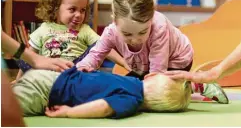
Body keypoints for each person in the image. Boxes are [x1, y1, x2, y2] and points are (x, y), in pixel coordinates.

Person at [76, 0, 229, 104]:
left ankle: (195, 86)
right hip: (144, 66)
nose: (135, 40)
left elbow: (157, 73)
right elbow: (95, 55)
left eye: (142, 32)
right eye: (128, 34)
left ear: (151, 19)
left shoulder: (159, 27)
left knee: (157, 96)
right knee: (123, 88)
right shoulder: (111, 32)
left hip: (176, 62)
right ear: (114, 21)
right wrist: (81, 69)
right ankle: (183, 86)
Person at [13, 0, 127, 80]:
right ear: (56, 8)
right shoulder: (44, 28)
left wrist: (124, 63)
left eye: (82, 10)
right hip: (48, 70)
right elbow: (30, 57)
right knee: (23, 56)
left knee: (99, 44)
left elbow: (106, 48)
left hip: (75, 70)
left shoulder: (84, 29)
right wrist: (19, 80)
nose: (78, 15)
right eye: (72, 9)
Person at [12, 67, 191, 118]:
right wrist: (69, 112)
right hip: (49, 92)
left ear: (150, 76)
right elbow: (104, 107)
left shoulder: (131, 80)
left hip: (51, 76)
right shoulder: (132, 100)